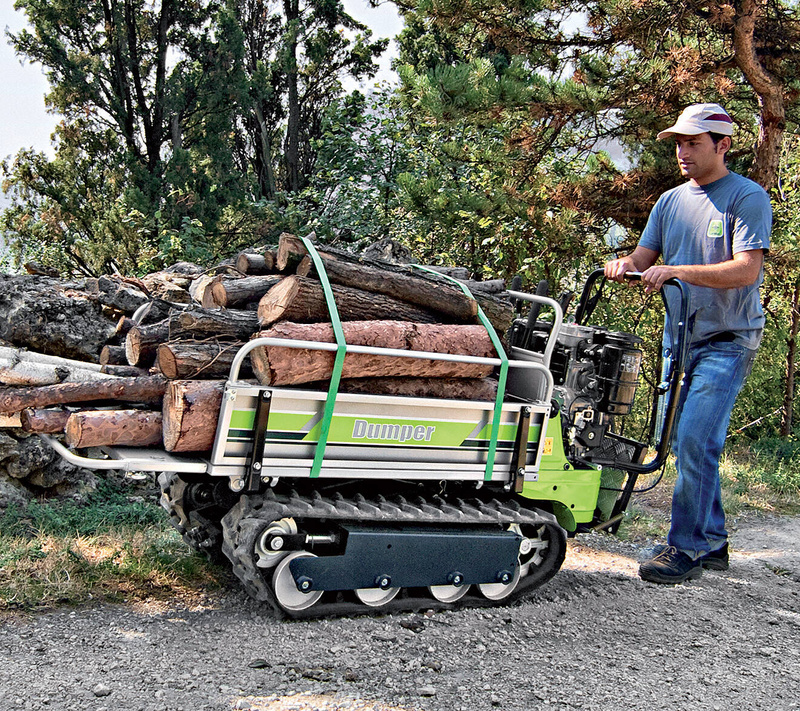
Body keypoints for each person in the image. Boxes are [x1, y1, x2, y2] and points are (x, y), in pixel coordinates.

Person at [604, 103, 772, 584]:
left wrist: (677, 270)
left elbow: (747, 270)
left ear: (723, 144)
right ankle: (713, 541)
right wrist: (623, 264)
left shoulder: (746, 197)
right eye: (678, 142)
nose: (682, 151)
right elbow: (644, 256)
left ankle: (686, 548)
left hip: (727, 339)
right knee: (683, 439)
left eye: (693, 142)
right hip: (678, 340)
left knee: (696, 438)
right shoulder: (670, 202)